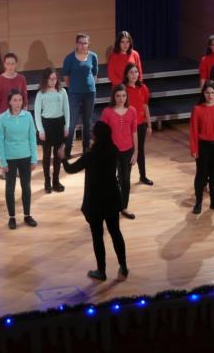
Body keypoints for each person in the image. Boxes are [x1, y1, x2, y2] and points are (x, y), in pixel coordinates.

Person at [58, 121, 128, 281]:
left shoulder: (90, 155)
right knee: (116, 232)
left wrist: (62, 158)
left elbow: (70, 169)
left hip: (95, 201)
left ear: (96, 136)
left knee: (98, 237)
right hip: (111, 198)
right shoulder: (113, 150)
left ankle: (101, 271)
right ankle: (123, 266)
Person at [0, 89, 38, 230]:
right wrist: (2, 162)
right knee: (10, 188)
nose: (17, 103)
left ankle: (27, 215)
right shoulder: (3, 118)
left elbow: (32, 137)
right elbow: (0, 140)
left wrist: (34, 158)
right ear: (9, 102)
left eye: (20, 100)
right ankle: (12, 217)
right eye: (15, 100)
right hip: (10, 158)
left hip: (26, 157)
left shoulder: (28, 116)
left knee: (26, 187)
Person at [189, 82, 214, 214]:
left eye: (213, 92)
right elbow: (193, 131)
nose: (210, 95)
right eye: (207, 93)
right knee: (201, 174)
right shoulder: (197, 109)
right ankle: (198, 202)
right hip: (202, 145)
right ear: (203, 93)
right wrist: (194, 149)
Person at [101, 84, 138, 219]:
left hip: (128, 150)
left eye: (123, 96)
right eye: (118, 96)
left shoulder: (132, 111)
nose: (121, 98)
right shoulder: (107, 112)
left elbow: (134, 132)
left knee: (125, 180)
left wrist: (136, 152)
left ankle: (124, 207)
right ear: (113, 97)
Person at [62, 33, 98, 158]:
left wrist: (90, 86)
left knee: (87, 121)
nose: (83, 45)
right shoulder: (69, 58)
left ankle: (86, 148)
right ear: (76, 44)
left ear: (88, 44)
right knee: (72, 123)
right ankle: (67, 150)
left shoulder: (93, 56)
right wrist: (73, 88)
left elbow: (94, 74)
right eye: (80, 43)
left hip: (90, 93)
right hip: (74, 94)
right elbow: (66, 77)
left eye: (85, 43)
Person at [34, 67, 70, 193]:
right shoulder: (41, 94)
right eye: (50, 79)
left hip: (59, 124)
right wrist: (40, 130)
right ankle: (47, 181)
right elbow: (37, 113)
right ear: (46, 79)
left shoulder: (62, 92)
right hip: (46, 125)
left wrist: (66, 126)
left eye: (55, 78)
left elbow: (66, 110)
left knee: (58, 155)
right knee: (46, 155)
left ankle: (56, 181)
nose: (53, 81)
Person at [123, 63, 153, 185]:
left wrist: (149, 125)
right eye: (131, 72)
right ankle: (124, 178)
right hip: (127, 126)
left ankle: (143, 176)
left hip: (140, 124)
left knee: (140, 150)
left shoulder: (143, 88)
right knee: (127, 152)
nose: (134, 75)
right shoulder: (123, 88)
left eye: (136, 72)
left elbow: (145, 106)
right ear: (126, 74)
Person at [0, 53, 28, 119]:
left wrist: (24, 115)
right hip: (4, 115)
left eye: (12, 64)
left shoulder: (21, 78)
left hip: (19, 115)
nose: (10, 66)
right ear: (4, 64)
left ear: (16, 64)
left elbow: (25, 98)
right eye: (8, 64)